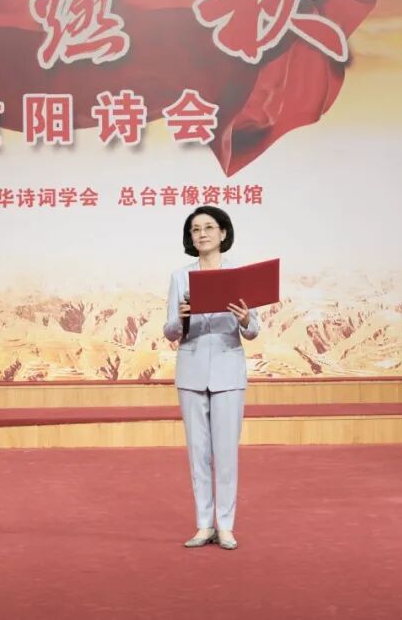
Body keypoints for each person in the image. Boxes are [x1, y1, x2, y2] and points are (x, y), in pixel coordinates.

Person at [163, 205, 259, 551]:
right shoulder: (180, 277)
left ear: (223, 233)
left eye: (208, 227)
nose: (201, 234)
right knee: (198, 452)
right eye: (195, 229)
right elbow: (169, 331)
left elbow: (253, 330)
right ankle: (204, 524)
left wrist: (245, 318)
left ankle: (226, 526)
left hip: (228, 370)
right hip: (191, 370)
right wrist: (181, 318)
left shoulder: (239, 275)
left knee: (226, 453)